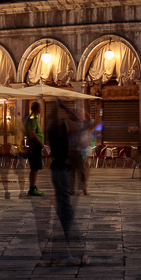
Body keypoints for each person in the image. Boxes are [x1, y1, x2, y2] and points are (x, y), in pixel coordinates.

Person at [44, 106, 85, 266]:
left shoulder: (53, 130)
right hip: (61, 171)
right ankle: (67, 255)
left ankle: (63, 253)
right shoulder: (60, 129)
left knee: (64, 210)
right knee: (66, 211)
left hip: (58, 170)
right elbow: (78, 123)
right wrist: (65, 107)